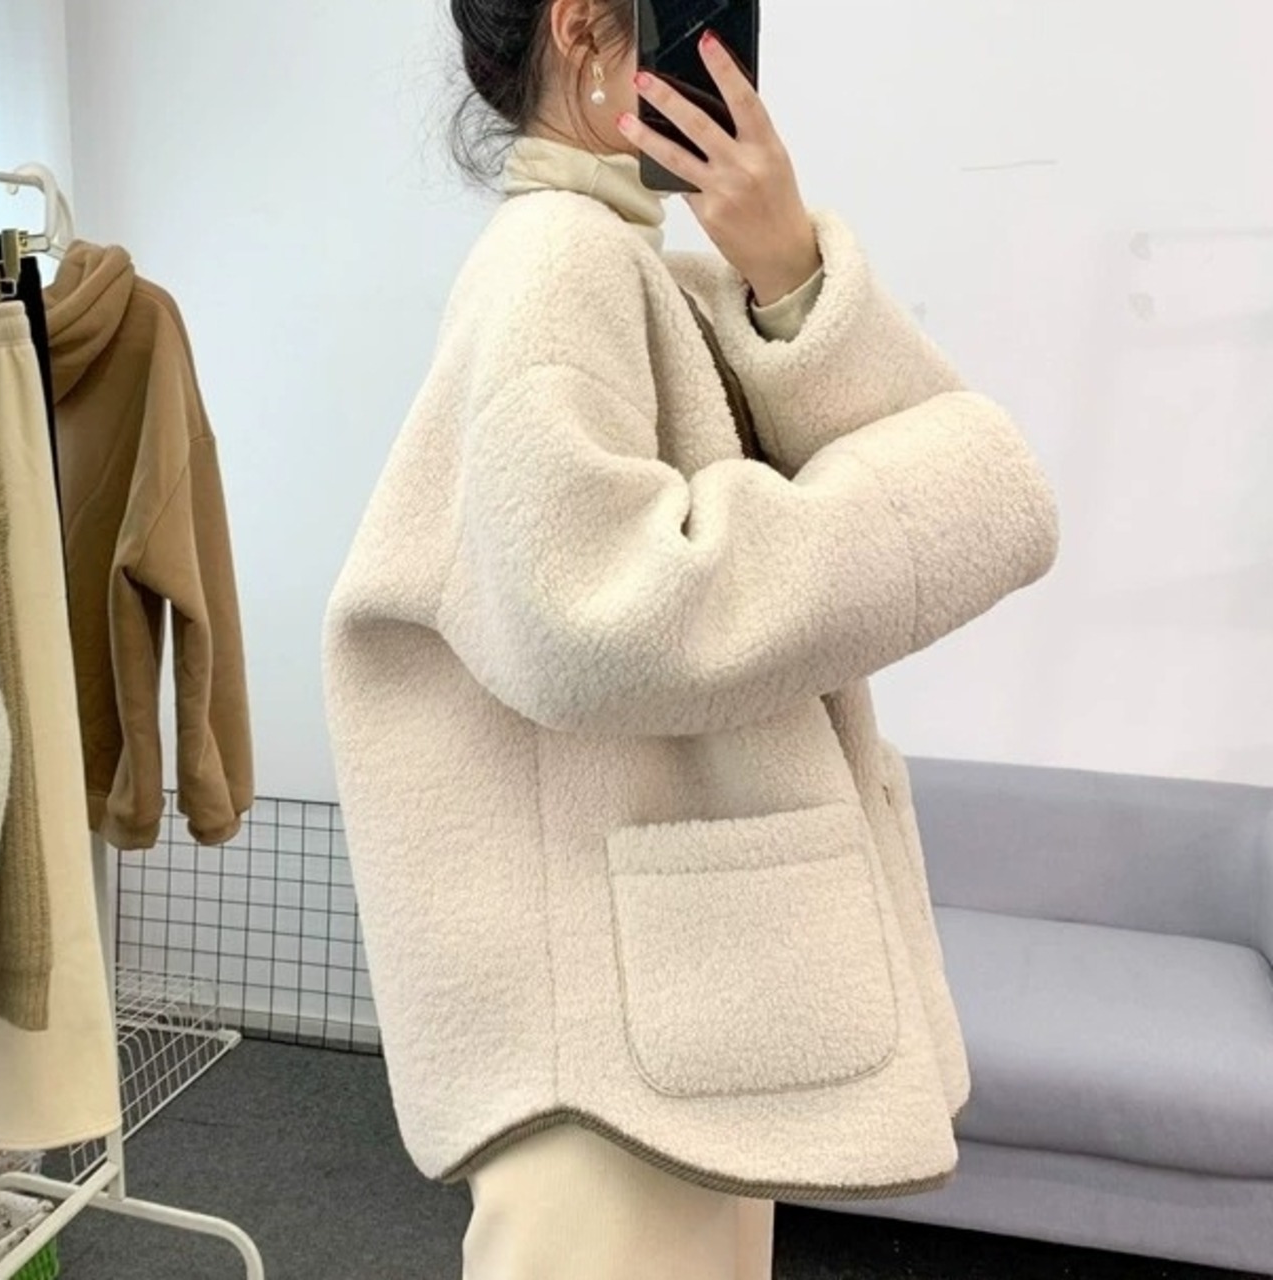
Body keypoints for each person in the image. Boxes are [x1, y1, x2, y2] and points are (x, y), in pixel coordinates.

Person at [322, 2, 1061, 1277]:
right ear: (584, 27)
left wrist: (789, 272)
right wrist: (929, 499)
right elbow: (597, 613)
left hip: (664, 1005)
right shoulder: (556, 258)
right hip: (618, 1047)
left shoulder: (627, 263)